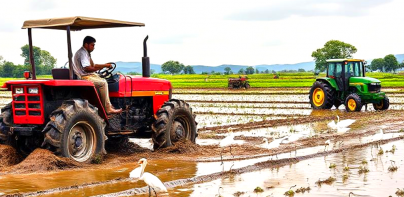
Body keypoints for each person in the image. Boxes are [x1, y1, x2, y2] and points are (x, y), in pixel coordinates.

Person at [73, 36, 122, 114]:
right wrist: (101, 67)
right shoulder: (82, 53)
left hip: (88, 75)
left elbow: (93, 66)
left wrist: (105, 65)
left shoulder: (85, 53)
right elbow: (87, 68)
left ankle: (108, 104)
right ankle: (107, 108)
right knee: (103, 83)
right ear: (86, 44)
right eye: (92, 45)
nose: (94, 47)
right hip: (84, 77)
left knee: (103, 79)